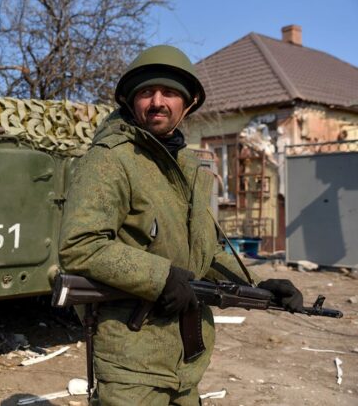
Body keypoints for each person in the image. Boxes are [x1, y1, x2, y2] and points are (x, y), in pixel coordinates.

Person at [59, 45, 304, 405]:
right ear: (130, 101)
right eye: (147, 92)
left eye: (169, 93)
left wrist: (257, 285)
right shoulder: (110, 160)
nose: (157, 102)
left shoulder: (189, 167)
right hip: (132, 360)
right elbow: (80, 245)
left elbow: (206, 252)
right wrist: (160, 277)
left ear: (188, 104)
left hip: (185, 362)